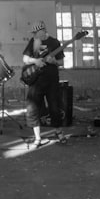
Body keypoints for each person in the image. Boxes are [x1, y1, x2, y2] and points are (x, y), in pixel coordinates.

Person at [21, 21, 66, 150]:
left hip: (51, 81)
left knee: (55, 107)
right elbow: (25, 58)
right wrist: (35, 60)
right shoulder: (33, 41)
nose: (35, 35)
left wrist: (54, 62)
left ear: (42, 31)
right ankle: (38, 138)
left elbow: (61, 62)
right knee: (33, 108)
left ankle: (58, 132)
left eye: (36, 32)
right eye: (34, 33)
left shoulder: (55, 42)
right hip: (36, 81)